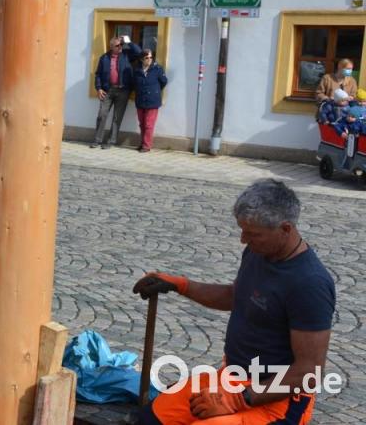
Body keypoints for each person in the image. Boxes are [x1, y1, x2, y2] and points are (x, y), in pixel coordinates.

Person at [133, 179, 334, 425]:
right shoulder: (258, 251)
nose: (243, 240)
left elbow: (309, 373)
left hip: (276, 401)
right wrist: (181, 285)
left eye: (253, 234)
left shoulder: (310, 283)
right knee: (149, 419)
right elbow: (235, 296)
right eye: (243, 230)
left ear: (285, 229)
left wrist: (240, 399)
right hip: (233, 378)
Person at [91, 35, 141, 149]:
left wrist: (128, 41)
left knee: (117, 117)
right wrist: (98, 88)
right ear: (112, 46)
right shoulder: (104, 58)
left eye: (121, 45)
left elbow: (139, 53)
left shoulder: (127, 55)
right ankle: (97, 140)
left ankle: (111, 141)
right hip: (107, 90)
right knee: (102, 115)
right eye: (118, 45)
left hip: (123, 90)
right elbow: (98, 74)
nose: (120, 47)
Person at [133, 49, 168, 152]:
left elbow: (164, 81)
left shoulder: (157, 69)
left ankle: (146, 146)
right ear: (141, 59)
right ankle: (143, 143)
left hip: (152, 100)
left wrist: (155, 91)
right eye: (146, 58)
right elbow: (134, 83)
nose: (149, 59)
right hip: (140, 100)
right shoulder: (137, 70)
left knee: (149, 124)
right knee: (142, 124)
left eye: (151, 57)